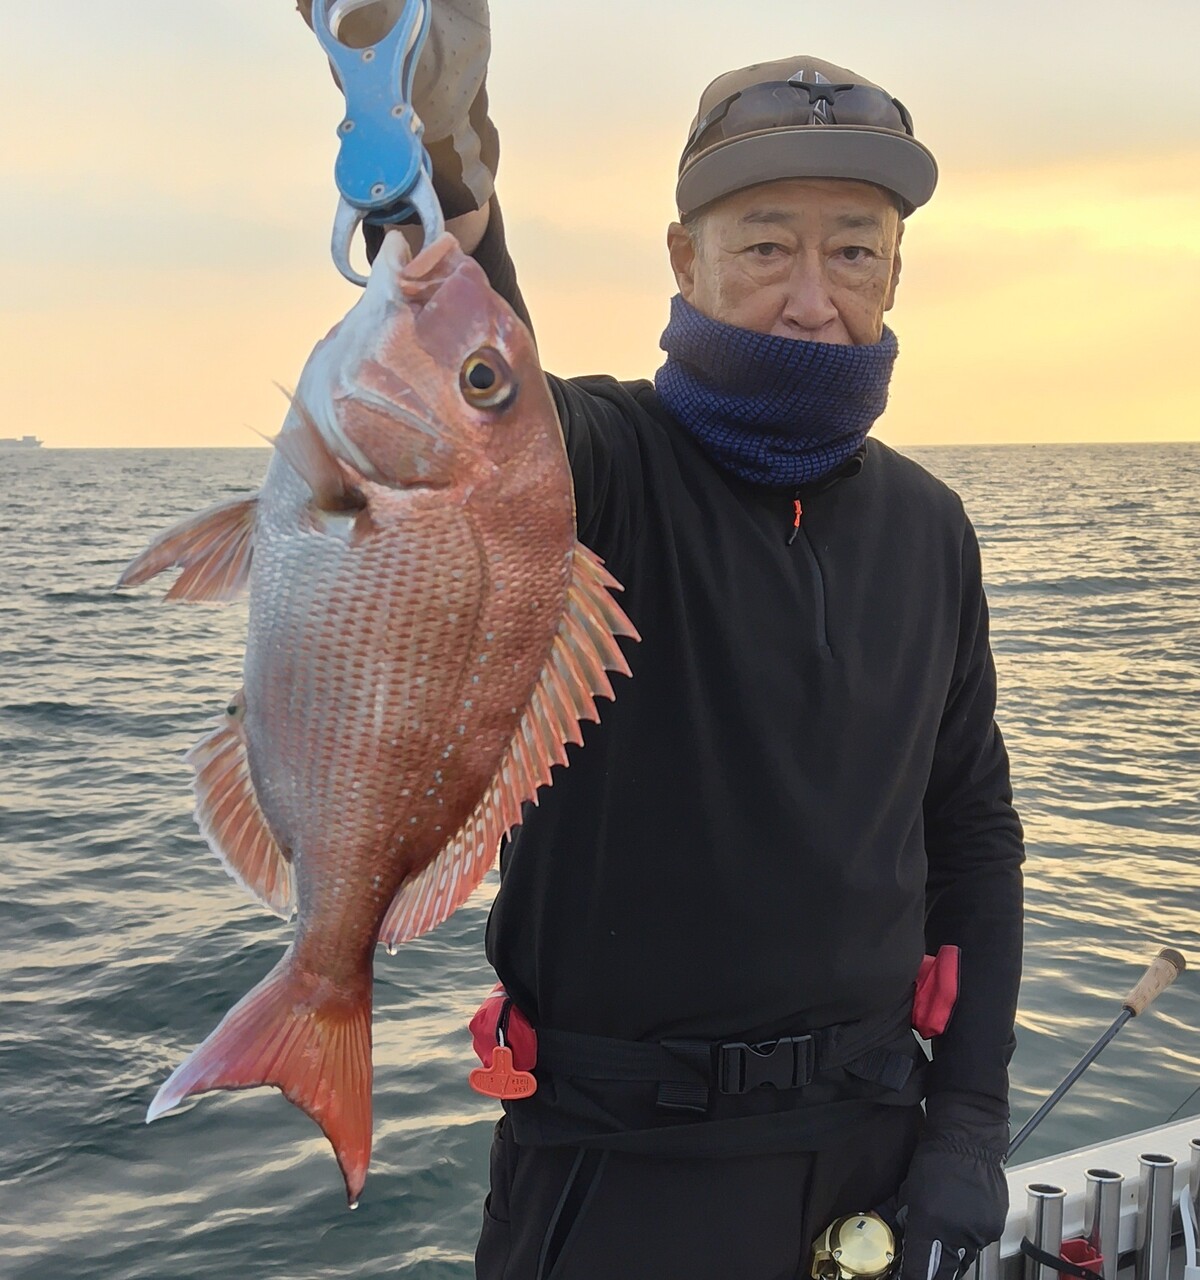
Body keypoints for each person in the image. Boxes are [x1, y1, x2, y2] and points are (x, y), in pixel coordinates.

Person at [299, 7, 1025, 1278]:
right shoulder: (594, 468)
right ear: (685, 259)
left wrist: (966, 1117)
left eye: (855, 250)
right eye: (767, 245)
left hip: (871, 1147)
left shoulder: (931, 528)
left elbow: (971, 831)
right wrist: (428, 117)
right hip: (616, 1172)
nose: (814, 298)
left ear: (896, 274)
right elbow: (472, 345)